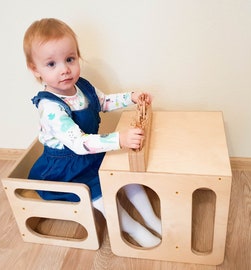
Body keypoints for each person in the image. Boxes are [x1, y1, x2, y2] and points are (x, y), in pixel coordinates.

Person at [23, 18, 161, 247]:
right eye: (51, 64)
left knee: (126, 176)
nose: (65, 69)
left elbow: (104, 101)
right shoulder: (50, 107)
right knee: (101, 195)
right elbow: (78, 143)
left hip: (90, 155)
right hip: (67, 168)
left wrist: (131, 97)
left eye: (70, 59)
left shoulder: (82, 87)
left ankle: (152, 219)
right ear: (35, 69)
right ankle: (133, 228)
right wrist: (121, 139)